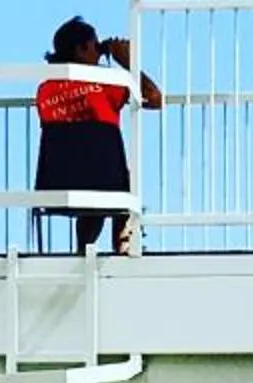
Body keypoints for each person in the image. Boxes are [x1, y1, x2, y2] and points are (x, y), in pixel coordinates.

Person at [33, 17, 164, 254]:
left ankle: (84, 249)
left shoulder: (45, 89)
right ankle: (123, 245)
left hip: (56, 180)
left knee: (89, 173)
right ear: (81, 49)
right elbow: (155, 98)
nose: (99, 52)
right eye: (95, 46)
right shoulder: (105, 83)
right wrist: (127, 62)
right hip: (105, 181)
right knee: (112, 177)